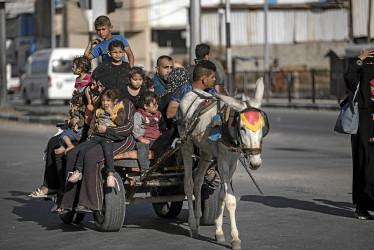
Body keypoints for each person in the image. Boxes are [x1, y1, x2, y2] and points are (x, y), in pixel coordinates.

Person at [57, 73, 136, 214]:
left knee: (91, 157)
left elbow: (126, 128)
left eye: (101, 86)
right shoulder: (100, 101)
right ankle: (68, 202)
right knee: (73, 153)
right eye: (97, 86)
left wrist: (107, 129)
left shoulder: (126, 103)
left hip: (119, 139)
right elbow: (93, 120)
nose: (98, 89)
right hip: (97, 136)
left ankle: (89, 202)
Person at [28, 69, 105, 213]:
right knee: (53, 142)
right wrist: (71, 121)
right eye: (93, 84)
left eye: (97, 85)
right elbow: (79, 115)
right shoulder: (89, 95)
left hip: (87, 134)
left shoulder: (103, 99)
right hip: (81, 130)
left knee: (63, 152)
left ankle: (63, 192)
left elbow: (89, 119)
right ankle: (52, 187)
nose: (94, 87)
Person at [67, 88, 126, 188]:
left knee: (108, 153)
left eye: (108, 101)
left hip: (108, 135)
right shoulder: (99, 110)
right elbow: (93, 122)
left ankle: (110, 175)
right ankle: (78, 171)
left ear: (114, 101)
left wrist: (111, 113)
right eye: (103, 100)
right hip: (96, 134)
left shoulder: (119, 110)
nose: (105, 103)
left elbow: (120, 122)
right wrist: (90, 134)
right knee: (83, 148)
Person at [344, 48, 374, 220]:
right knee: (364, 162)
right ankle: (362, 206)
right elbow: (349, 79)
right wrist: (358, 60)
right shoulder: (362, 65)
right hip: (363, 121)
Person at [133, 91, 164, 174]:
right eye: (154, 104)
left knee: (161, 151)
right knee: (143, 151)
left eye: (157, 104)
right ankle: (144, 169)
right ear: (145, 106)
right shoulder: (139, 115)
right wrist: (140, 138)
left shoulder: (158, 114)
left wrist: (164, 130)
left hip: (157, 139)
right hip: (144, 139)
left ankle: (160, 168)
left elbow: (162, 124)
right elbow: (135, 128)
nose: (156, 106)